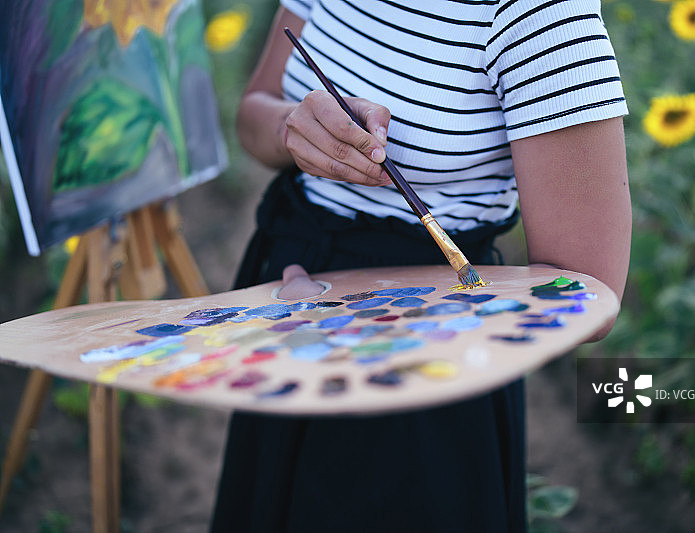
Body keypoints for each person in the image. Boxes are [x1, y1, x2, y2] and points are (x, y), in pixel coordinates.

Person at [210, 0, 631, 531]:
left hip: (426, 356)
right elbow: (254, 111)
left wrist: (345, 306)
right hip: (289, 299)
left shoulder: (540, 15)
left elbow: (588, 292)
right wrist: (291, 130)